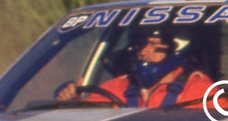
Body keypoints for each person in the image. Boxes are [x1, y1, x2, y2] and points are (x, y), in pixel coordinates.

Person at [56, 28, 213, 108]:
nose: (143, 52)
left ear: (176, 49)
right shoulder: (116, 87)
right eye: (141, 45)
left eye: (153, 45)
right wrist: (69, 101)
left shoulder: (201, 93)